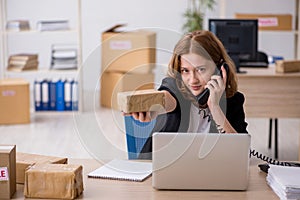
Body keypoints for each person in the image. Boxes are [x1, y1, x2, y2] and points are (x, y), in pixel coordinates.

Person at [127, 30, 248, 159]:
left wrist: (215, 107)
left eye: (201, 70)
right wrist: (151, 107)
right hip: (160, 171)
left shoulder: (233, 101)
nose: (193, 79)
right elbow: (166, 99)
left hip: (211, 175)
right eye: (185, 71)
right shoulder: (174, 88)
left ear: (220, 69)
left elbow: (241, 154)